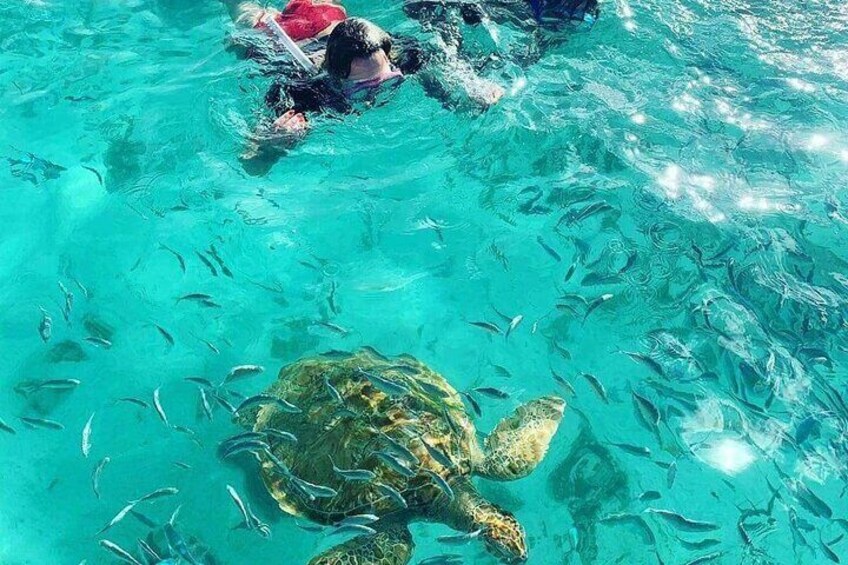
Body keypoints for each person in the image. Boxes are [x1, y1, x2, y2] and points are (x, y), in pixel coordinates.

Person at [222, 1, 504, 173]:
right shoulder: (303, 93)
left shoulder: (401, 57)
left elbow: (441, 72)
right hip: (277, 41)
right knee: (244, 11)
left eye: (387, 80)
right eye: (363, 88)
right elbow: (250, 164)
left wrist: (470, 89)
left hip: (323, 18)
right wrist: (274, 141)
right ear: (337, 78)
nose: (375, 95)